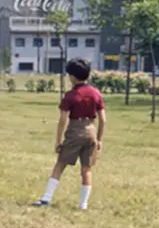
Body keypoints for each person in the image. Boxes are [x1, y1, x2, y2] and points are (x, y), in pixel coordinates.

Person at [33, 58, 106, 211]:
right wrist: (99, 140)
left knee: (60, 164)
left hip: (75, 130)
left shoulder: (71, 95)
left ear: (72, 76)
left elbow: (63, 120)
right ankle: (83, 204)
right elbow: (103, 120)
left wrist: (58, 141)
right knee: (86, 169)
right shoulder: (96, 94)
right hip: (91, 129)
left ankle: (46, 198)